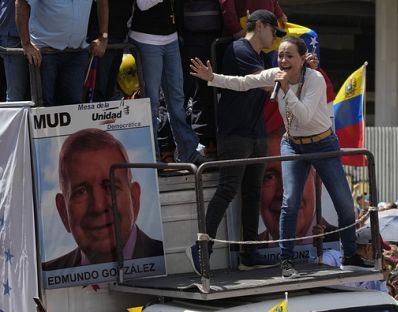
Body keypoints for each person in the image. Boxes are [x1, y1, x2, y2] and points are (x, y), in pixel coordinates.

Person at [190, 36, 368, 278]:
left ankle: (350, 254)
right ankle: (286, 260)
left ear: (303, 59)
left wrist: (285, 90)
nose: (283, 60)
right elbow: (244, 82)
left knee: (344, 203)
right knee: (290, 201)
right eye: (280, 55)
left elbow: (304, 116)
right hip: (293, 145)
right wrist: (212, 78)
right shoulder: (275, 74)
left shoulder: (314, 79)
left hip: (323, 145)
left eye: (289, 56)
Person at [186, 10, 286, 274]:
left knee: (253, 193)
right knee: (228, 190)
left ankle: (249, 253)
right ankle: (201, 247)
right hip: (235, 133)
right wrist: (290, 73)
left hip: (255, 132)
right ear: (260, 25)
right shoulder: (239, 49)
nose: (275, 37)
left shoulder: (263, 56)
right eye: (273, 30)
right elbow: (266, 85)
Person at [42, 129, 164, 270]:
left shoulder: (162, 259)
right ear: (63, 211)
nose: (98, 206)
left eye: (110, 187)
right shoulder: (47, 273)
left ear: (134, 198)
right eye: (81, 192)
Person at [128, 0, 206, 165]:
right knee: (152, 104)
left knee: (177, 100)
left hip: (171, 38)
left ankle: (188, 153)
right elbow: (142, 4)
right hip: (146, 39)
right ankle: (152, 157)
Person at [15, 0, 108, 105]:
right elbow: (21, 2)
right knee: (44, 106)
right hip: (45, 53)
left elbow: (102, 2)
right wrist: (26, 44)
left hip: (76, 53)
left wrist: (103, 37)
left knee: (73, 106)